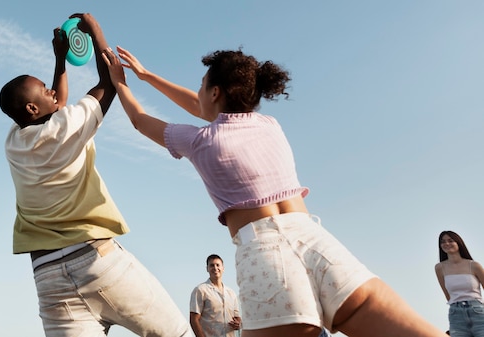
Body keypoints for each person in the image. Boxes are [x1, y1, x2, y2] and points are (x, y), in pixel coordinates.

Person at [102, 45, 447, 337]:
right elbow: (201, 106)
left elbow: (140, 119)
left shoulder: (200, 140)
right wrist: (148, 76)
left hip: (265, 253)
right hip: (315, 239)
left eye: (203, 84)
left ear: (215, 92)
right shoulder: (270, 125)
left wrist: (124, 84)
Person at [0, 13, 190, 337]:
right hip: (95, 261)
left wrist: (60, 61)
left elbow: (55, 107)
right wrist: (95, 30)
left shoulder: (14, 142)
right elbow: (106, 84)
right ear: (32, 109)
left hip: (49, 281)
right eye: (44, 89)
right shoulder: (62, 130)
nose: (53, 93)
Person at [435, 231, 484, 337]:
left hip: (478, 311)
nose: (446, 244)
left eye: (450, 240)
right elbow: (447, 294)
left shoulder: (474, 265)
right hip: (456, 315)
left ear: (458, 243)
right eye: (443, 242)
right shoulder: (439, 268)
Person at [190, 254, 241, 337]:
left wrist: (238, 324)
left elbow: (237, 317)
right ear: (207, 269)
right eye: (211, 265)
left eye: (218, 265)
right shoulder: (200, 290)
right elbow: (194, 319)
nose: (215, 268)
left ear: (223, 268)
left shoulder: (231, 293)